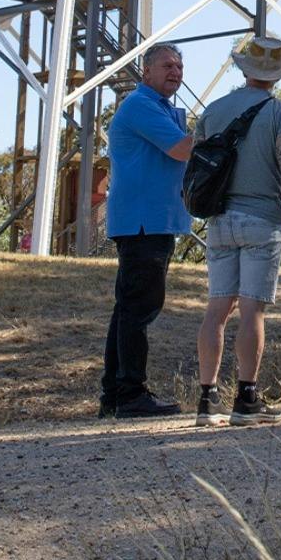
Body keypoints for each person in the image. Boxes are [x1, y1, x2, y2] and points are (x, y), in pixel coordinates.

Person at [193, 36, 281, 428]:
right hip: (261, 219)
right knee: (252, 310)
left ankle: (206, 400)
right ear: (277, 76)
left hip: (220, 220)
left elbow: (199, 163)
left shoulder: (214, 111)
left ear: (243, 69)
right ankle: (246, 397)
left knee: (217, 309)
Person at [99, 43, 193, 419]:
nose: (176, 71)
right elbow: (182, 150)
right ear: (146, 70)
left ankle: (116, 394)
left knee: (128, 310)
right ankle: (131, 393)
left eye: (180, 66)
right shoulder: (142, 106)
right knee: (139, 309)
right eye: (168, 65)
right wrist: (223, 135)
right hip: (143, 221)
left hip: (155, 219)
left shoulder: (164, 109)